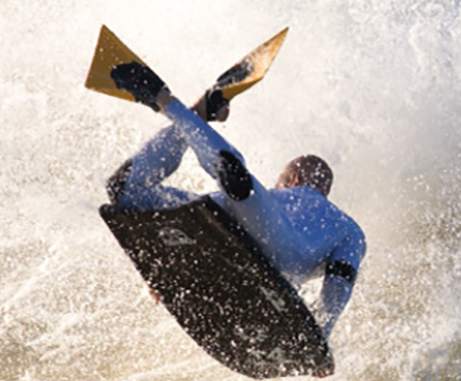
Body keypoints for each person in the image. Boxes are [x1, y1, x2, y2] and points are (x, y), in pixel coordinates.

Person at [104, 61, 365, 341]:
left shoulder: (279, 200)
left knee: (124, 190)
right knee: (237, 184)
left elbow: (184, 221)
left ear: (293, 179)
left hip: (244, 222)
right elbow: (339, 283)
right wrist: (321, 333)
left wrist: (158, 270)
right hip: (279, 254)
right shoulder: (349, 229)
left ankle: (183, 108)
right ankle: (175, 105)